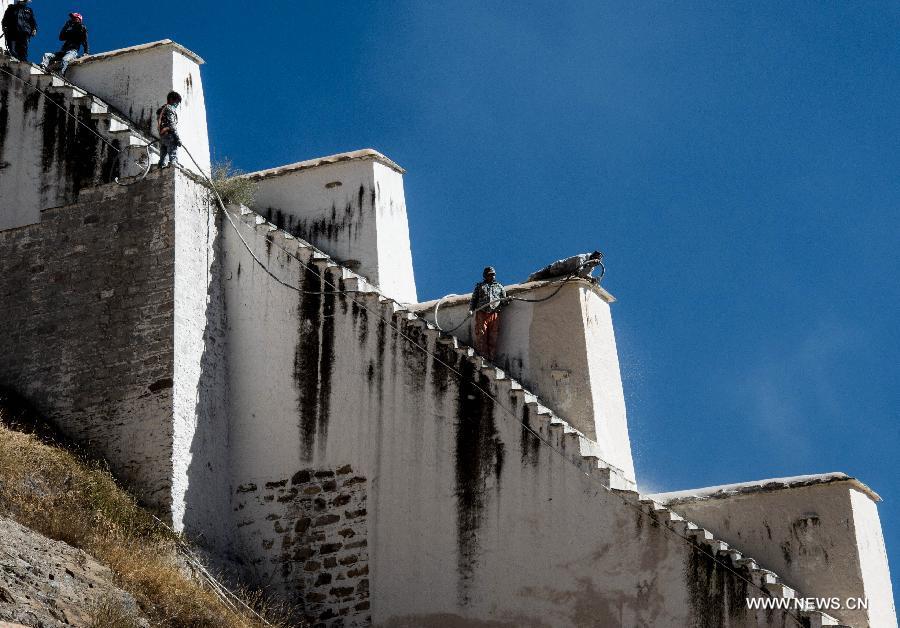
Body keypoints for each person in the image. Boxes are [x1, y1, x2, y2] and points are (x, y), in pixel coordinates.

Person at [468, 266, 508, 361]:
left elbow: (504, 300)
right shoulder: (479, 286)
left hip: (494, 313)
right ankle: (483, 356)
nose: (492, 276)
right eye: (490, 275)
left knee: (493, 335)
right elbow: (474, 299)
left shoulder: (499, 286)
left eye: (493, 275)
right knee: (482, 334)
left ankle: (491, 357)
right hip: (482, 312)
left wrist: (507, 300)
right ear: (485, 275)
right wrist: (471, 309)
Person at [527, 251, 604, 283]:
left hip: (562, 274)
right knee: (536, 277)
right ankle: (528, 280)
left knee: (544, 281)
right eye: (597, 258)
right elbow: (579, 273)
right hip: (557, 268)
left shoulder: (591, 265)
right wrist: (590, 266)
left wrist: (592, 278)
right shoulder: (582, 258)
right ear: (593, 256)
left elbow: (585, 275)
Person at [156, 91, 182, 168]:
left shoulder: (161, 110)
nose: (177, 104)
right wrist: (177, 138)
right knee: (173, 152)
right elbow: (172, 125)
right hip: (170, 135)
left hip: (162, 136)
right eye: (176, 102)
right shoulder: (170, 109)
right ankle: (174, 164)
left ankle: (161, 166)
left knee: (163, 154)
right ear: (171, 100)